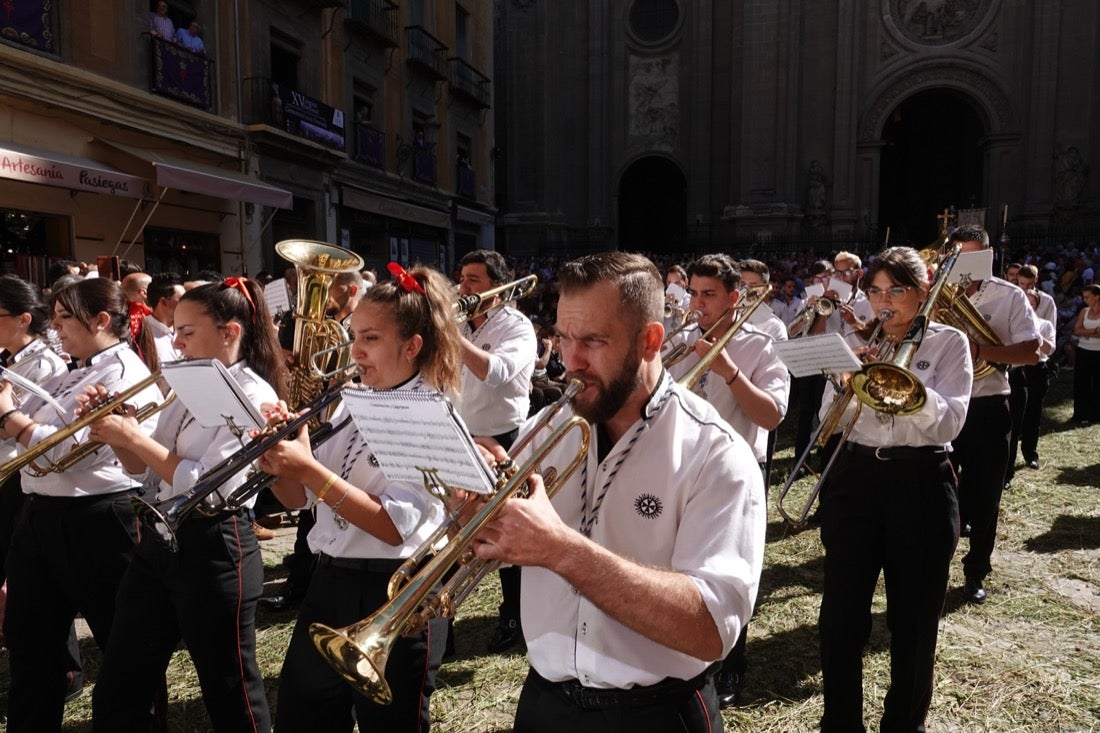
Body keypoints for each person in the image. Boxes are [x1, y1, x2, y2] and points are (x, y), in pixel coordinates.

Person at [471, 251, 766, 733]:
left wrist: (560, 550)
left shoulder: (715, 452)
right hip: (545, 702)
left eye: (592, 340)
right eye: (564, 338)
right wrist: (474, 514)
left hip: (655, 714)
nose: (571, 361)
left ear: (650, 340)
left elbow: (711, 630)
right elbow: (497, 547)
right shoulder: (545, 430)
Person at [256, 264, 460, 732]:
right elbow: (297, 500)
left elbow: (392, 527)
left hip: (397, 592)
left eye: (370, 338)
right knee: (301, 717)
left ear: (412, 347)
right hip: (329, 584)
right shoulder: (353, 401)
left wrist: (306, 466)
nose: (355, 351)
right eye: (354, 336)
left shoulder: (430, 416)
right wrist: (276, 461)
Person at [84, 277, 284, 732]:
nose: (174, 343)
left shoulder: (257, 395)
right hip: (159, 541)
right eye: (174, 330)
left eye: (186, 332)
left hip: (216, 544)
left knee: (229, 688)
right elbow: (145, 469)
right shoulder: (188, 384)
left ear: (230, 332)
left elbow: (212, 486)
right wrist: (115, 431)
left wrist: (133, 436)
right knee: (121, 678)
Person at [817, 245, 972, 733]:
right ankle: (841, 723)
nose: (883, 302)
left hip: (920, 481)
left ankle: (905, 725)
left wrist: (901, 386)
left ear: (922, 293)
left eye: (896, 291)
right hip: (855, 479)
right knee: (840, 616)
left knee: (914, 619)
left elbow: (950, 422)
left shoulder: (950, 344)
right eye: (876, 291)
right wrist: (846, 381)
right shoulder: (855, 341)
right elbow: (826, 421)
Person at [0, 278, 164, 732]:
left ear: (101, 321)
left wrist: (9, 417)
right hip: (41, 516)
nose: (54, 326)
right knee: (30, 644)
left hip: (99, 518)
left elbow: (60, 451)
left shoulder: (123, 373)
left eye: (64, 316)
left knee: (125, 646)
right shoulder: (75, 369)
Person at [667, 254, 789, 708]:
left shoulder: (760, 343)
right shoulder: (680, 338)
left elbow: (773, 414)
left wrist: (729, 372)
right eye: (694, 293)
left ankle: (733, 664)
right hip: (681, 467)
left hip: (735, 472)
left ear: (735, 298)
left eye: (709, 295)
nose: (696, 304)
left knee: (729, 573)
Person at [948, 225, 1041, 604]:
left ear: (987, 255)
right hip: (944, 404)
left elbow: (1032, 352)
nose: (962, 265)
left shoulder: (1009, 296)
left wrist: (981, 351)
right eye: (955, 257)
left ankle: (975, 571)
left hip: (987, 404)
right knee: (937, 492)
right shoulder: (937, 296)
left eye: (970, 256)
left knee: (986, 495)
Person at [0, 276, 80, 702]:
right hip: (13, 473)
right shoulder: (10, 356)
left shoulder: (45, 364)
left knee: (41, 581)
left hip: (24, 476)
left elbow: (35, 432)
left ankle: (65, 668)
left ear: (23, 318)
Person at [454, 249, 536, 653]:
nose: (463, 287)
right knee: (450, 530)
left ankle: (514, 615)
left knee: (506, 529)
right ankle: (442, 619)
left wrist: (450, 336)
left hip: (503, 437)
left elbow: (495, 373)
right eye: (462, 278)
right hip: (460, 434)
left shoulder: (517, 326)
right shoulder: (460, 323)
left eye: (473, 280)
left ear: (498, 288)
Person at [1006, 265, 1056, 481]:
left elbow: (1049, 344)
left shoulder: (1047, 305)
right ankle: (1007, 465)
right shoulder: (1013, 298)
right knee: (1014, 418)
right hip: (1017, 367)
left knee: (1033, 412)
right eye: (1021, 283)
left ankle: (1030, 453)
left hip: (1037, 366)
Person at [1070, 283, 1100, 423]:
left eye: (1088, 297)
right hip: (1083, 350)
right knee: (1081, 383)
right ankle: (1080, 414)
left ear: (1097, 297)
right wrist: (1094, 332)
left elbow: (1082, 330)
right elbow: (1076, 330)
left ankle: (1096, 415)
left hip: (1098, 352)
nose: (1085, 300)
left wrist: (1085, 332)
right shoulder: (1084, 311)